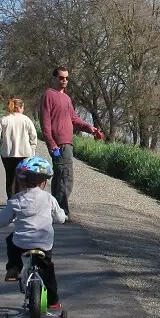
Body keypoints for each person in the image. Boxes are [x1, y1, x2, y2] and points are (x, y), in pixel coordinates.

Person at [0, 156, 66, 309]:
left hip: (22, 243)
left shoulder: (16, 200)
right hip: (44, 244)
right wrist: (63, 216)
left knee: (10, 239)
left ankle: (13, 268)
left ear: (21, 181)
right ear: (45, 182)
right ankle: (53, 302)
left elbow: (2, 221)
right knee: (48, 272)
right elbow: (59, 218)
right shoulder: (49, 199)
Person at [39, 66, 103, 218]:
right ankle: (62, 211)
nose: (64, 81)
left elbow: (74, 119)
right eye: (61, 78)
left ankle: (55, 209)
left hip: (68, 142)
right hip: (58, 144)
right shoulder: (48, 95)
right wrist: (51, 143)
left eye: (67, 78)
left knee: (62, 177)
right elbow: (45, 123)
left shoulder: (67, 99)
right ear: (54, 78)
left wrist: (90, 128)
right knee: (64, 177)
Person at [0, 97, 38, 198]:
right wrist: (32, 148)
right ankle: (22, 198)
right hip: (24, 154)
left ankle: (11, 199)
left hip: (7, 154)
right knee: (23, 178)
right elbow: (33, 136)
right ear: (20, 108)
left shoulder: (4, 120)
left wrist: (0, 147)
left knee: (10, 177)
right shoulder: (26, 120)